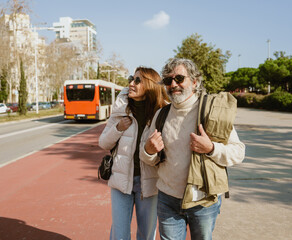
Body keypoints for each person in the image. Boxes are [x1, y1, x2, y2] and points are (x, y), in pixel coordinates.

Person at [139, 58, 245, 240]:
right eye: (168, 80)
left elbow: (238, 153)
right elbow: (145, 154)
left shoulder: (212, 111)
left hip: (203, 201)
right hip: (167, 198)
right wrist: (149, 150)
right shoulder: (161, 114)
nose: (173, 85)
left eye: (179, 78)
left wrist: (211, 148)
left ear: (194, 81)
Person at [99, 66, 169, 240]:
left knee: (146, 235)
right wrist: (118, 128)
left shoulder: (162, 114)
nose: (131, 83)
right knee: (119, 235)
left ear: (150, 85)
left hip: (149, 183)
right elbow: (103, 143)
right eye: (131, 78)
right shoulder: (121, 108)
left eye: (137, 80)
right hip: (121, 180)